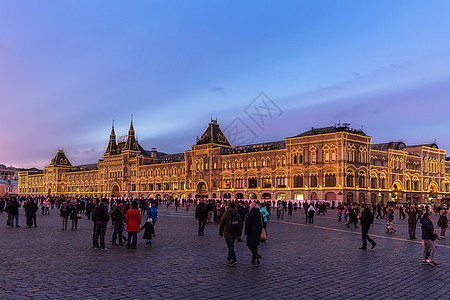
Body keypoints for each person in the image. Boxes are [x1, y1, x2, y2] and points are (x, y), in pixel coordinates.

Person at [219, 202, 242, 266]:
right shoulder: (237, 214)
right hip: (235, 232)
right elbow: (240, 225)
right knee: (231, 245)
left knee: (230, 246)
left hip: (227, 232)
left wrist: (220, 233)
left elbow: (221, 224)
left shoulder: (226, 214)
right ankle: (229, 258)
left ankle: (234, 260)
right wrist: (239, 234)